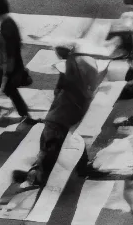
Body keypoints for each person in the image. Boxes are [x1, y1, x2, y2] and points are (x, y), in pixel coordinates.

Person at [7, 44, 100, 195]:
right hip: (62, 120)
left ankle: (38, 177)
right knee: (60, 148)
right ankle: (81, 169)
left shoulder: (71, 83)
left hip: (58, 120)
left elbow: (64, 81)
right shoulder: (81, 87)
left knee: (51, 150)